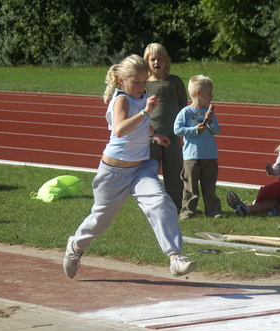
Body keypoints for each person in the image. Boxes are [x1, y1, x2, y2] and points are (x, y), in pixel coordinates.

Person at [63, 55, 196, 279]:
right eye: (136, 82)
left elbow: (141, 125)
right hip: (114, 172)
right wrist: (145, 111)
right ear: (121, 80)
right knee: (100, 220)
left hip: (141, 167)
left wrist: (155, 135)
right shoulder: (121, 99)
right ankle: (75, 247)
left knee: (161, 203)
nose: (141, 87)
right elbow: (120, 129)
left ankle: (175, 258)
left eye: (144, 82)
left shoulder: (142, 96)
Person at [144, 43, 188, 213]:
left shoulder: (174, 81)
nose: (156, 62)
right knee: (149, 173)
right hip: (151, 137)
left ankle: (176, 205)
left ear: (166, 61)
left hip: (173, 137)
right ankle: (153, 205)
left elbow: (183, 105)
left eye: (159, 59)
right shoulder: (144, 84)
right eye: (152, 59)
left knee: (175, 173)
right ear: (147, 62)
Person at [174, 75, 222, 220]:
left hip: (209, 156)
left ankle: (213, 211)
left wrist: (211, 121)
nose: (212, 96)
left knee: (209, 187)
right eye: (209, 93)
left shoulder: (209, 112)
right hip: (191, 157)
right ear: (199, 93)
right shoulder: (186, 112)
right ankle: (188, 211)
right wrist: (195, 131)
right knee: (190, 187)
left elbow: (217, 130)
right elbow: (177, 129)